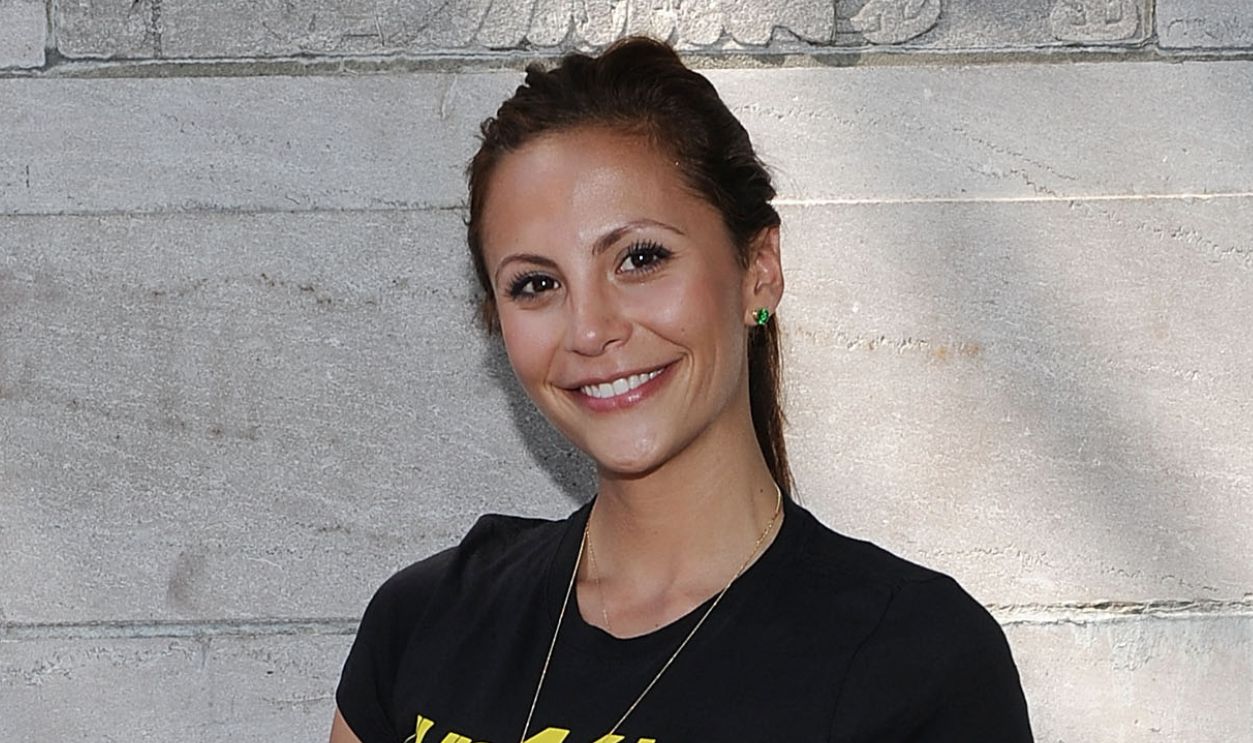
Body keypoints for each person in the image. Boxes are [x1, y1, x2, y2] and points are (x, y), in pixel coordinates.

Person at [330, 37, 1033, 743]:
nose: (590, 328)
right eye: (536, 284)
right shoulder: (424, 622)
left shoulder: (915, 662)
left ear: (758, 269)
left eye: (639, 258)